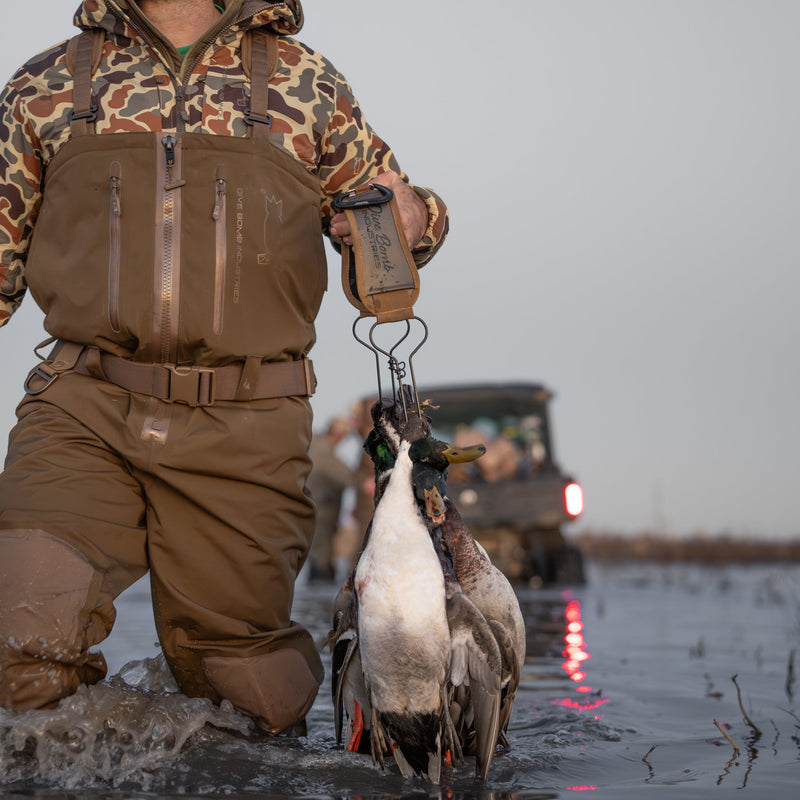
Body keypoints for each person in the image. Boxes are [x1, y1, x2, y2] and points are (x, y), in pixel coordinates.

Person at [0, 0, 448, 735]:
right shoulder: (44, 86)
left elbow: (395, 215)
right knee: (17, 649)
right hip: (81, 408)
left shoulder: (309, 85)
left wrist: (416, 218)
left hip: (249, 425)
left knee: (252, 707)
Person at [306, 417, 354, 581]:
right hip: (322, 510)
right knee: (320, 559)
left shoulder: (314, 444)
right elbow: (345, 477)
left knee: (317, 556)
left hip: (317, 508)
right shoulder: (322, 450)